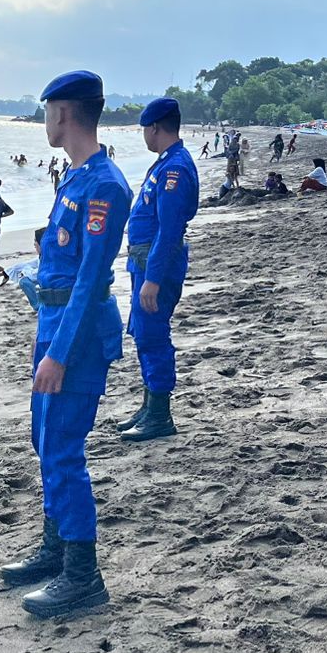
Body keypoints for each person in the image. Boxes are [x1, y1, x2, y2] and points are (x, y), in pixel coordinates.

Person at [0, 71, 130, 619]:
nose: (44, 122)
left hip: (76, 335)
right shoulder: (75, 176)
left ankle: (83, 574)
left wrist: (59, 354)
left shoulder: (105, 186)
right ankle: (55, 548)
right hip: (51, 323)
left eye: (47, 112)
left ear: (63, 113)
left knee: (62, 448)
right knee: (43, 437)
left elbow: (90, 279)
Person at [117, 97, 199, 443]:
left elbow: (169, 229)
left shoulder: (174, 168)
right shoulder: (166, 162)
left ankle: (160, 415)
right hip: (145, 260)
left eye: (144, 130)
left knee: (153, 335)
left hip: (157, 263)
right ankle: (148, 405)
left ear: (154, 128)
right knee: (143, 333)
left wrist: (152, 279)